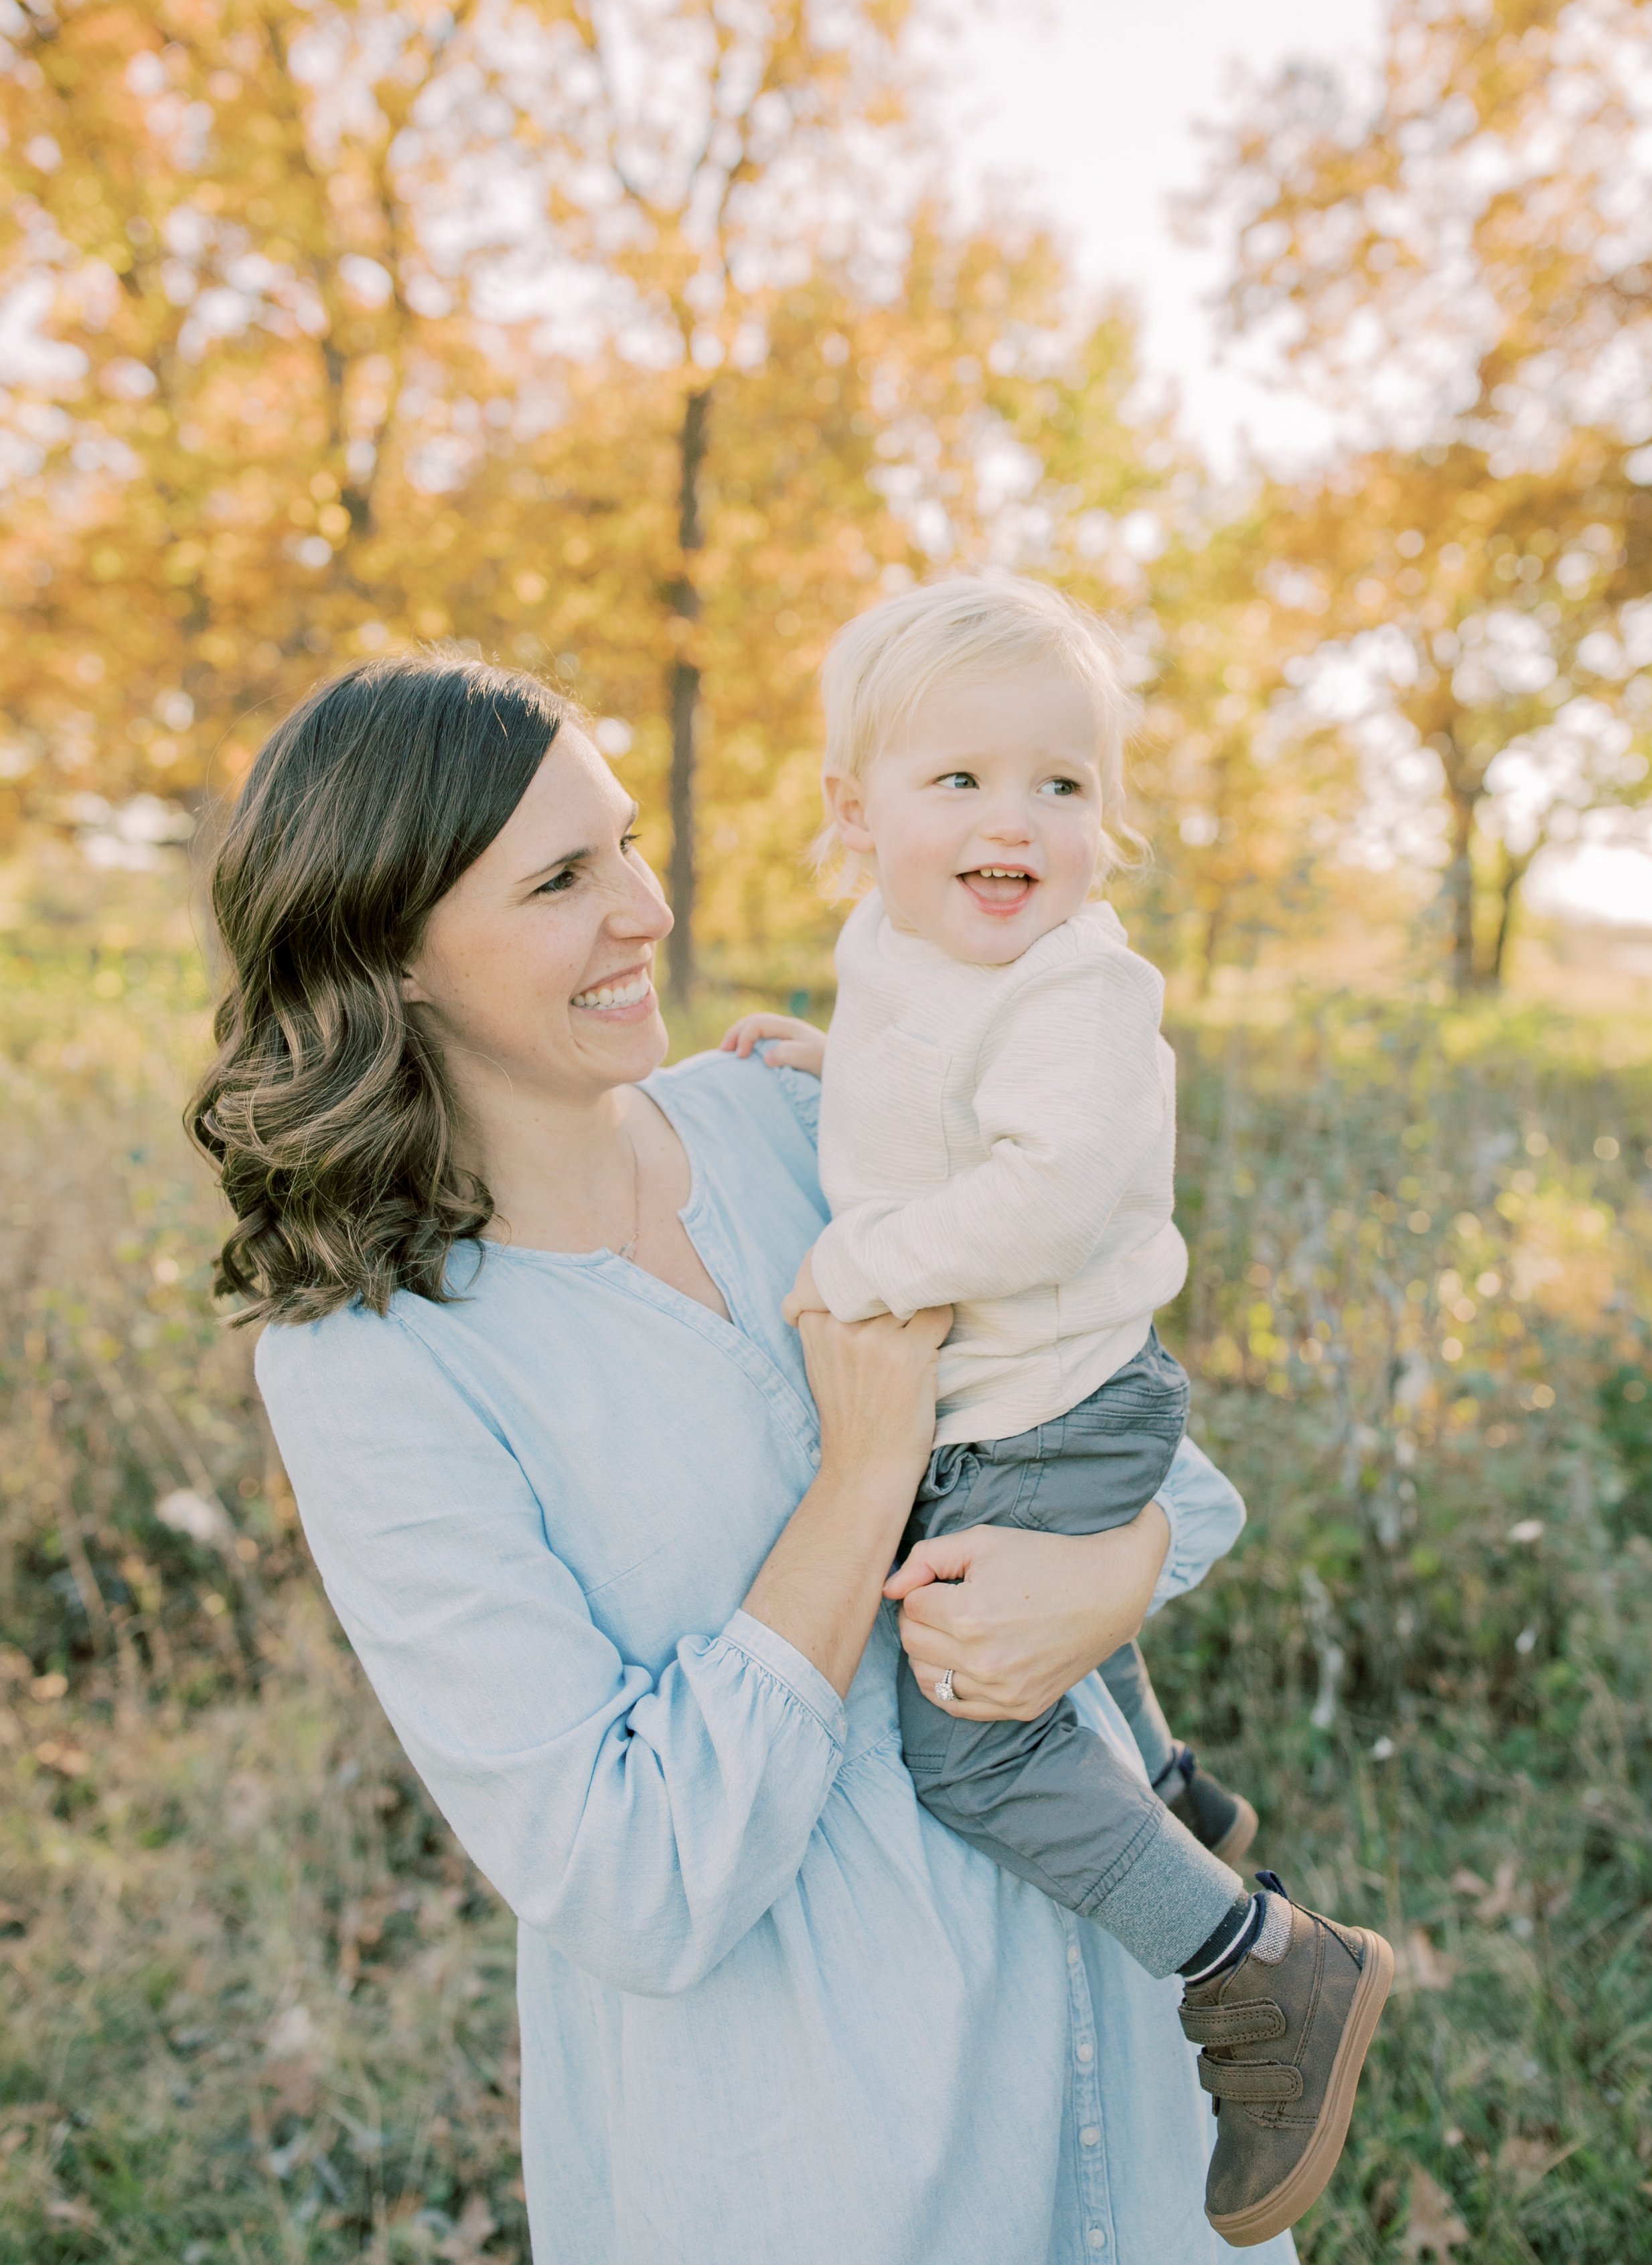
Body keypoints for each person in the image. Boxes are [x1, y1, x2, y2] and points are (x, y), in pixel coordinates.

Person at [190, 648, 1304, 2265]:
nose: (643, 909)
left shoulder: (792, 1122)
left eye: (627, 844)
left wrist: (1107, 1576)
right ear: (396, 952)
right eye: (561, 879)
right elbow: (625, 1878)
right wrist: (858, 1489)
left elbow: (1147, 1450)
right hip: (827, 2150)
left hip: (1123, 2045)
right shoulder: (377, 1362)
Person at [723, 575, 1392, 2248]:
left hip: (1060, 1409)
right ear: (852, 812)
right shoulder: (909, 942)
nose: (1009, 820)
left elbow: (1043, 1191)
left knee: (967, 1740)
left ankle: (1257, 1971)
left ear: (1110, 823)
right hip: (1021, 1406)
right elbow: (940, 1088)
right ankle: (1167, 1788)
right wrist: (837, 1072)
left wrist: (866, 1252)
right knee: (1029, 1641)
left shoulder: (1078, 990)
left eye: (1062, 786)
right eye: (957, 781)